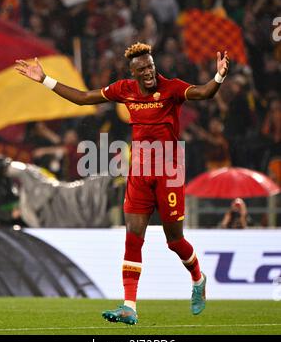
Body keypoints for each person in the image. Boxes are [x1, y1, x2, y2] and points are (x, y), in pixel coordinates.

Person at [15, 42, 229, 325]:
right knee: (132, 238)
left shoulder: (171, 88)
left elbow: (203, 92)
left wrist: (219, 77)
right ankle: (129, 306)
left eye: (151, 66)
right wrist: (44, 79)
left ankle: (198, 278)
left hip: (169, 171)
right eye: (142, 69)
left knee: (174, 241)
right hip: (140, 173)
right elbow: (82, 98)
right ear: (133, 73)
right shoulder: (123, 89)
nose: (149, 72)